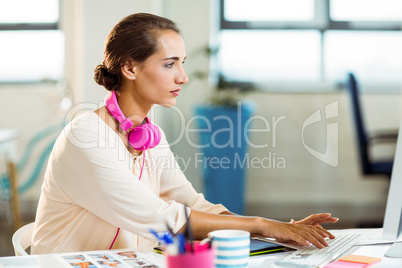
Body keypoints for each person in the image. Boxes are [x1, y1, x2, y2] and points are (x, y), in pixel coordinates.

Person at [31, 13, 338, 254]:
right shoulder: (86, 137)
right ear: (130, 68)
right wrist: (262, 226)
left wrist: (279, 230)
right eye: (169, 64)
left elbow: (192, 204)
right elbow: (165, 220)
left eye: (182, 63)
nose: (183, 76)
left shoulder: (149, 135)